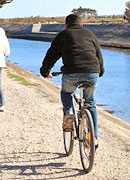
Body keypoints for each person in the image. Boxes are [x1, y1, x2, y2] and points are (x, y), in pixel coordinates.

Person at [40, 14, 104, 147]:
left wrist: (45, 72)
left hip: (71, 73)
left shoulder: (63, 35)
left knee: (67, 93)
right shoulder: (90, 34)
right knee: (90, 103)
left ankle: (68, 112)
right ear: (81, 24)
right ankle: (94, 137)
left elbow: (51, 55)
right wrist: (100, 71)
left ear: (66, 25)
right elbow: (98, 54)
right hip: (92, 72)